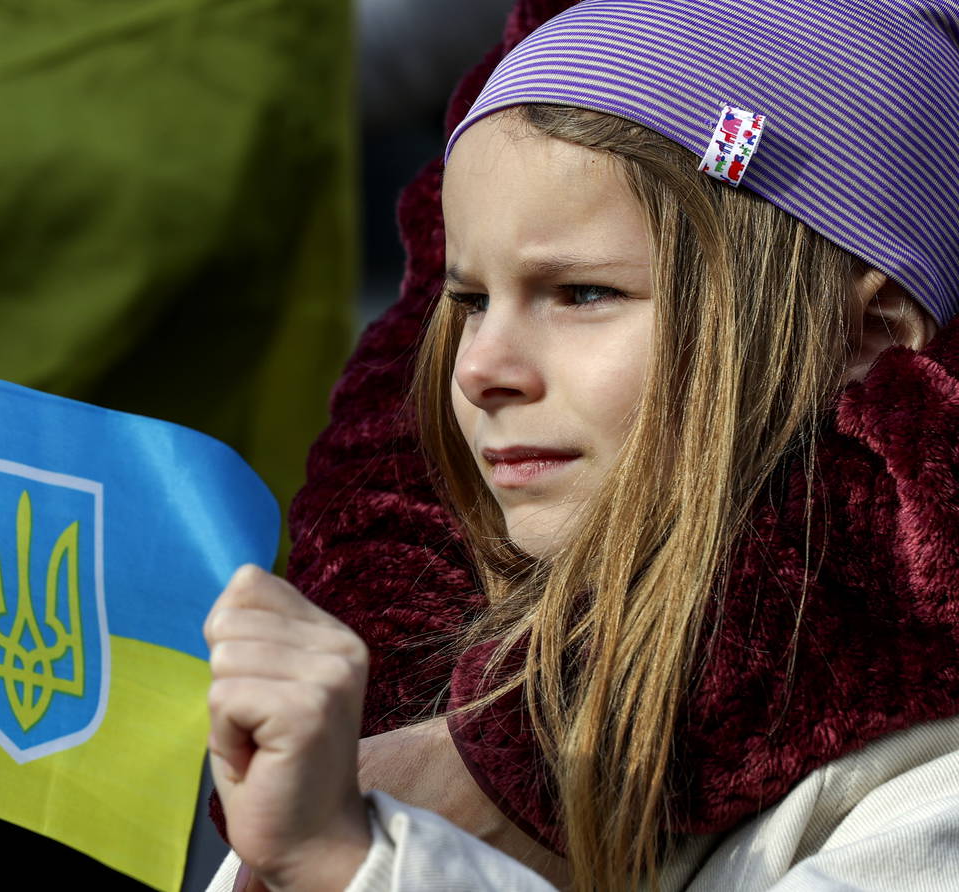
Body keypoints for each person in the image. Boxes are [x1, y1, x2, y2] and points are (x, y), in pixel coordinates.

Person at [203, 1, 959, 889]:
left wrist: (353, 863)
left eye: (583, 293)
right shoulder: (428, 692)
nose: (481, 366)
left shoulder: (926, 789)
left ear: (866, 330)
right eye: (471, 300)